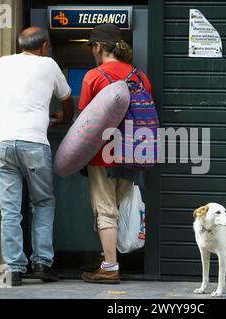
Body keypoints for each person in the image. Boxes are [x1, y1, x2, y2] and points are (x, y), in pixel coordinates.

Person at [0, 27, 73, 286]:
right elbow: (67, 97)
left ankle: (14, 269)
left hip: (3, 144)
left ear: (20, 45)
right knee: (43, 203)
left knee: (10, 210)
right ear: (45, 45)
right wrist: (64, 118)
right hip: (35, 144)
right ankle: (42, 264)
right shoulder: (49, 65)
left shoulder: (3, 63)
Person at [79, 23, 152, 284]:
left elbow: (85, 122)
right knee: (122, 205)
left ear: (98, 47)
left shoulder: (94, 76)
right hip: (133, 151)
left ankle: (109, 267)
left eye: (92, 47)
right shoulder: (140, 76)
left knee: (105, 209)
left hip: (103, 154)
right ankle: (107, 256)